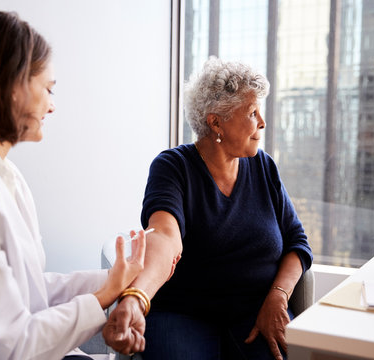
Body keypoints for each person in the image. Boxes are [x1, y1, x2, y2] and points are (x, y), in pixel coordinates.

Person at [0, 11, 147, 360]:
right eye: (48, 89)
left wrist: (113, 280)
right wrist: (102, 297)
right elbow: (11, 347)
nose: (52, 105)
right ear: (13, 87)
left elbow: (27, 293)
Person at [103, 57, 313, 360]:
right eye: (253, 112)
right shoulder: (173, 167)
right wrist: (136, 298)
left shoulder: (264, 167)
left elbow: (297, 243)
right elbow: (164, 235)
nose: (262, 122)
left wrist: (277, 298)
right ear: (216, 122)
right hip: (182, 314)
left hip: (255, 312)